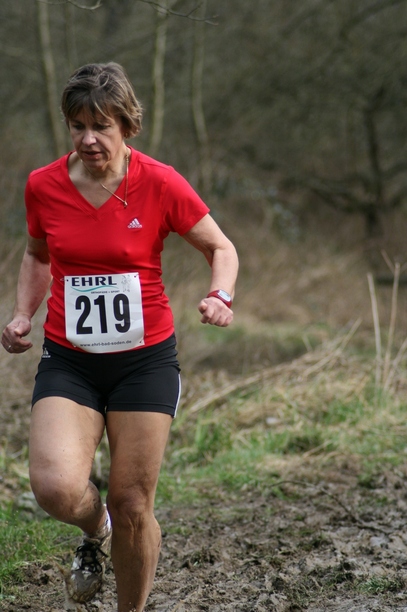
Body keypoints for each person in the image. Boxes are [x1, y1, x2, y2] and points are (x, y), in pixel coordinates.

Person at [1, 62, 238, 612]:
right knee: (56, 488)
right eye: (77, 126)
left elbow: (220, 247)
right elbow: (37, 255)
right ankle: (95, 527)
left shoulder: (160, 181)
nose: (88, 139)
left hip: (144, 363)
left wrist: (220, 296)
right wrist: (22, 313)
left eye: (101, 126)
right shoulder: (43, 185)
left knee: (133, 503)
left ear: (127, 126)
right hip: (69, 360)